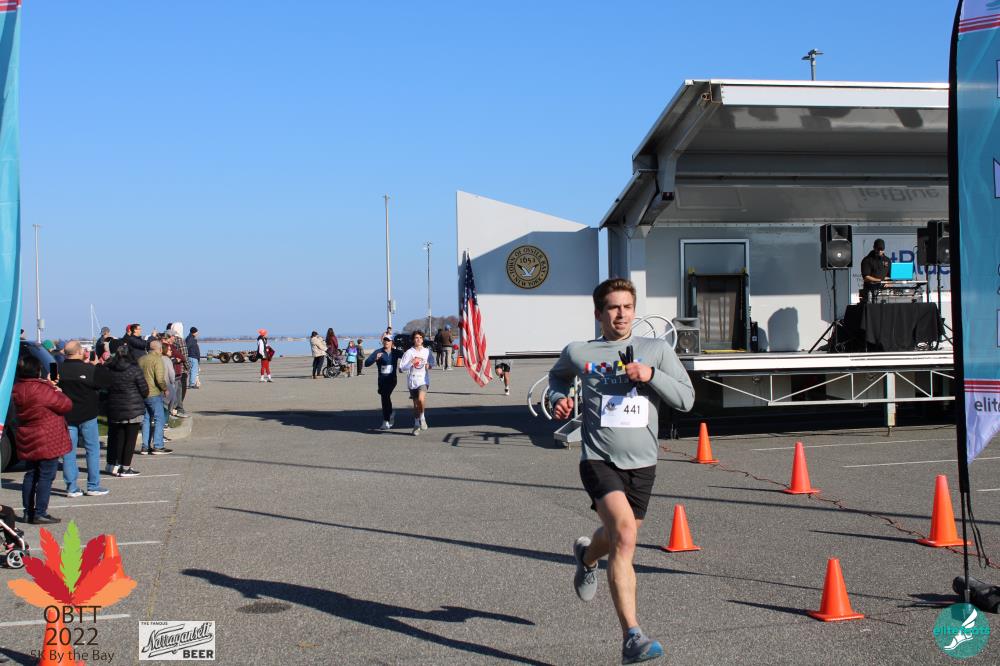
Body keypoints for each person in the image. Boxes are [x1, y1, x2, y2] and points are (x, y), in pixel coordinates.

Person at [548, 278, 695, 665]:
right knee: (626, 535)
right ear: (598, 313)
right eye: (613, 308)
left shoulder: (656, 350)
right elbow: (557, 378)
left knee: (617, 538)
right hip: (598, 458)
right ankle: (633, 637)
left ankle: (586, 556)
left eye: (627, 307)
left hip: (643, 463)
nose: (621, 314)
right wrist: (559, 399)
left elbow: (687, 398)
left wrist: (651, 376)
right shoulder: (580, 351)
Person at [11, 354, 72, 524]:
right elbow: (65, 405)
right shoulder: (42, 389)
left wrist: (48, 385)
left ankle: (28, 511)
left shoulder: (17, 388)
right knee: (46, 475)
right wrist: (55, 390)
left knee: (31, 474)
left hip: (28, 435)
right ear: (37, 371)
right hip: (47, 437)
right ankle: (40, 512)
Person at [58, 341, 112, 497]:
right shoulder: (89, 369)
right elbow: (106, 383)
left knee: (68, 451)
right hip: (88, 414)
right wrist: (98, 365)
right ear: (79, 352)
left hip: (67, 414)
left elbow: (52, 386)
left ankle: (71, 487)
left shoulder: (58, 369)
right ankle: (93, 485)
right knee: (92, 450)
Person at [105, 344, 148, 476]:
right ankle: (125, 467)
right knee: (130, 439)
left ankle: (117, 464)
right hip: (132, 407)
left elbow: (106, 388)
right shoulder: (134, 369)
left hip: (115, 407)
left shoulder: (110, 369)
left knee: (119, 437)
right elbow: (144, 390)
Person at [138, 340, 171, 455]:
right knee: (159, 418)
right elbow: (159, 378)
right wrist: (165, 389)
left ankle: (145, 446)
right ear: (160, 349)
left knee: (146, 419)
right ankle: (158, 445)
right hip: (154, 393)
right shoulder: (158, 360)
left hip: (142, 393)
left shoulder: (141, 359)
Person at [399, 331, 433, 436]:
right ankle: (416, 424)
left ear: (423, 339)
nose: (418, 339)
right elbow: (401, 368)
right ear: (413, 340)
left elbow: (432, 362)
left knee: (421, 399)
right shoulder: (409, 352)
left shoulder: (427, 351)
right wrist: (411, 362)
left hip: (423, 380)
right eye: (416, 338)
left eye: (420, 337)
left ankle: (422, 418)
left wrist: (429, 365)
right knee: (415, 405)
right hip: (412, 381)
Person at [365, 335, 403, 430]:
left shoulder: (396, 352)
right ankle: (390, 414)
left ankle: (386, 421)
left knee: (385, 396)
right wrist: (375, 358)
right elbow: (366, 363)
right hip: (382, 380)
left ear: (392, 342)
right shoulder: (378, 352)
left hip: (392, 379)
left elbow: (407, 357)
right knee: (385, 397)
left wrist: (403, 366)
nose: (386, 342)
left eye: (388, 340)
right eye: (385, 340)